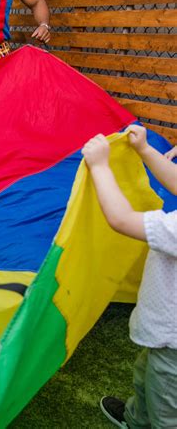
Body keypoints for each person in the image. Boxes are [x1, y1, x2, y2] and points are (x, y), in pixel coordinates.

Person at [81, 125, 177, 429]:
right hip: (163, 338)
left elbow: (121, 219)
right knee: (145, 379)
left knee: (166, 411)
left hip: (172, 348)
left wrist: (100, 166)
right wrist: (145, 150)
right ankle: (136, 420)